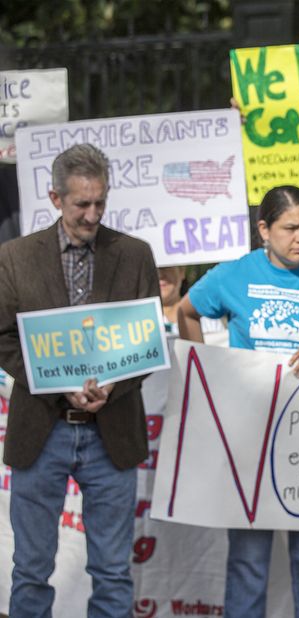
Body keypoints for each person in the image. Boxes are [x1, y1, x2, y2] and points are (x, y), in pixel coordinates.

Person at [177, 185, 299, 618]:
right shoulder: (234, 274)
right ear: (264, 229)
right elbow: (186, 311)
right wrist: (207, 370)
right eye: (290, 228)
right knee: (247, 563)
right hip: (249, 441)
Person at [0, 143, 160, 615]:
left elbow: (146, 342)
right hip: (41, 430)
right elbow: (4, 337)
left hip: (111, 432)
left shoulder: (133, 255)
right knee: (31, 569)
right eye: (81, 204)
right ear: (55, 199)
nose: (92, 214)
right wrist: (55, 381)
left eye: (100, 202)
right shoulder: (15, 258)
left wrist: (115, 384)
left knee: (112, 571)